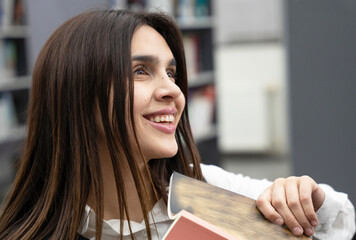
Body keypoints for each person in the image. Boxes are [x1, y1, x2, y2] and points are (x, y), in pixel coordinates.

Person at [0, 9, 354, 240]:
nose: (173, 90)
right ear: (78, 95)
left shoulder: (203, 188)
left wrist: (306, 198)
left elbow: (339, 223)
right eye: (142, 71)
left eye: (171, 72)